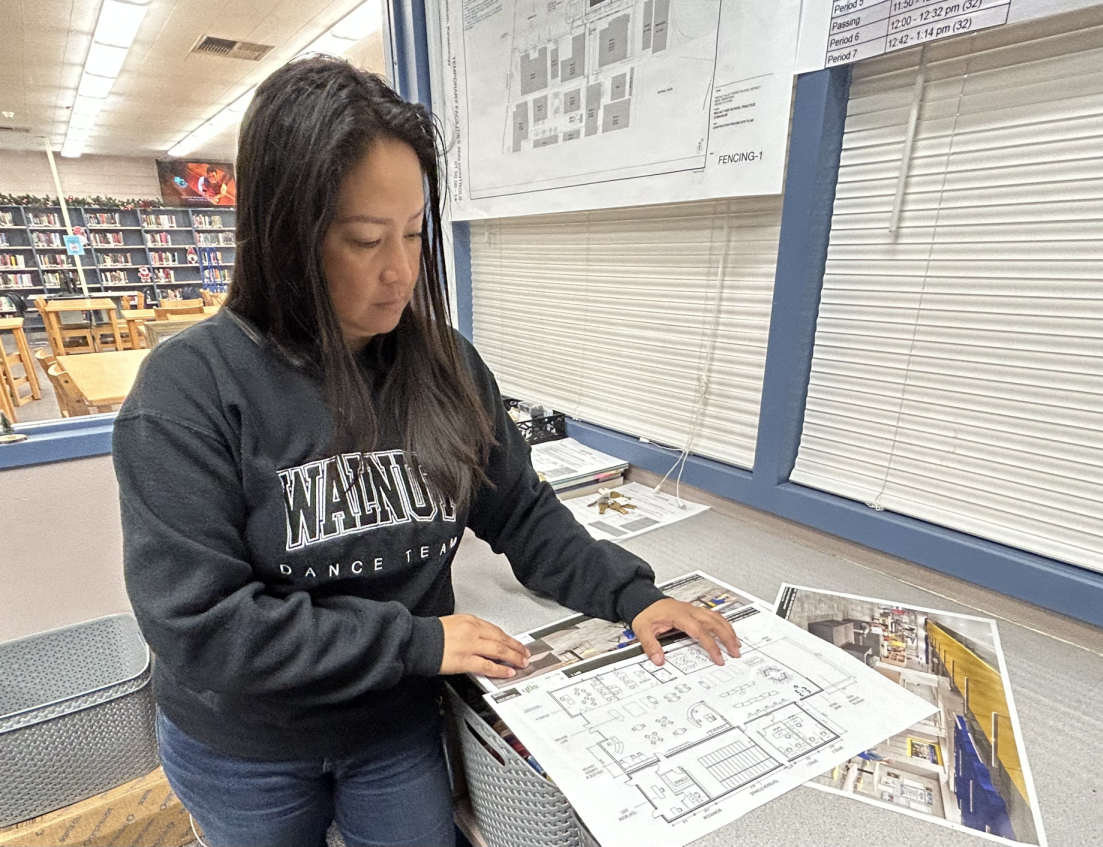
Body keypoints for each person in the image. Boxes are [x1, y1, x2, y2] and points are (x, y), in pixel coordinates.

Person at [112, 56, 739, 847]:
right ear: (282, 236)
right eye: (366, 240)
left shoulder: (442, 363)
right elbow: (203, 625)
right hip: (247, 745)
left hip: (392, 723)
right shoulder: (187, 390)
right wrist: (415, 639)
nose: (402, 270)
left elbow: (524, 512)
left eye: (414, 232)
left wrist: (630, 595)